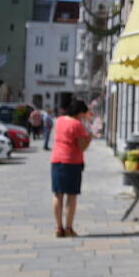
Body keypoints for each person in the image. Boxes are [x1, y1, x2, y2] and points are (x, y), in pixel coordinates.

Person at [50, 101, 91, 237]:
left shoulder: (59, 120)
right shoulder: (77, 124)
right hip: (72, 162)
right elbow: (82, 147)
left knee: (57, 194)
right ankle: (68, 228)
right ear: (80, 113)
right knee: (71, 195)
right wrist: (89, 137)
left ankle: (58, 228)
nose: (84, 117)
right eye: (84, 114)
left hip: (56, 159)